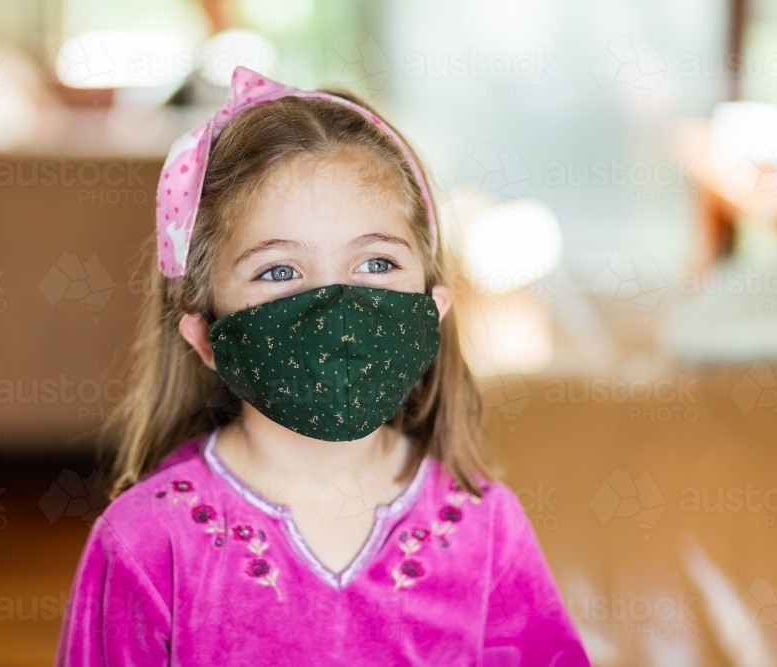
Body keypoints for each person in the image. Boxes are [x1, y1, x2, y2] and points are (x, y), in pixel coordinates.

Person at [54, 65, 590, 667]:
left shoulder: (485, 526)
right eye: (279, 272)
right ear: (205, 334)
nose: (337, 312)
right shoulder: (147, 544)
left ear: (432, 310)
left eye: (377, 264)